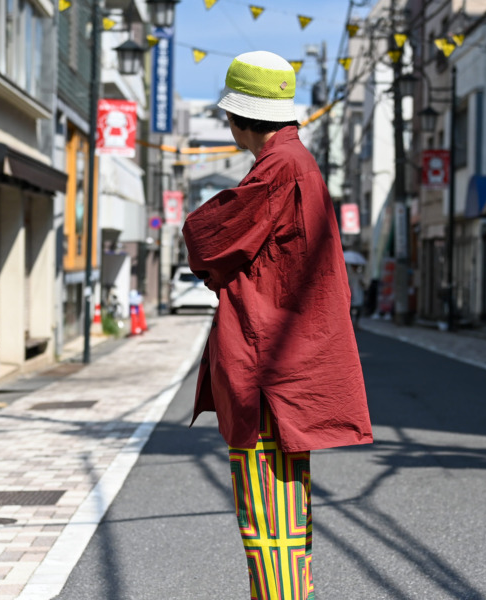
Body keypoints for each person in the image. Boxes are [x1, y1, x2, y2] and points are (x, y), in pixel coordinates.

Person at [182, 50, 373, 600]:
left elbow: (207, 235)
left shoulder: (279, 168)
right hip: (286, 366)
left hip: (267, 369)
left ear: (238, 117)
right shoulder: (295, 163)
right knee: (284, 520)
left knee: (268, 521)